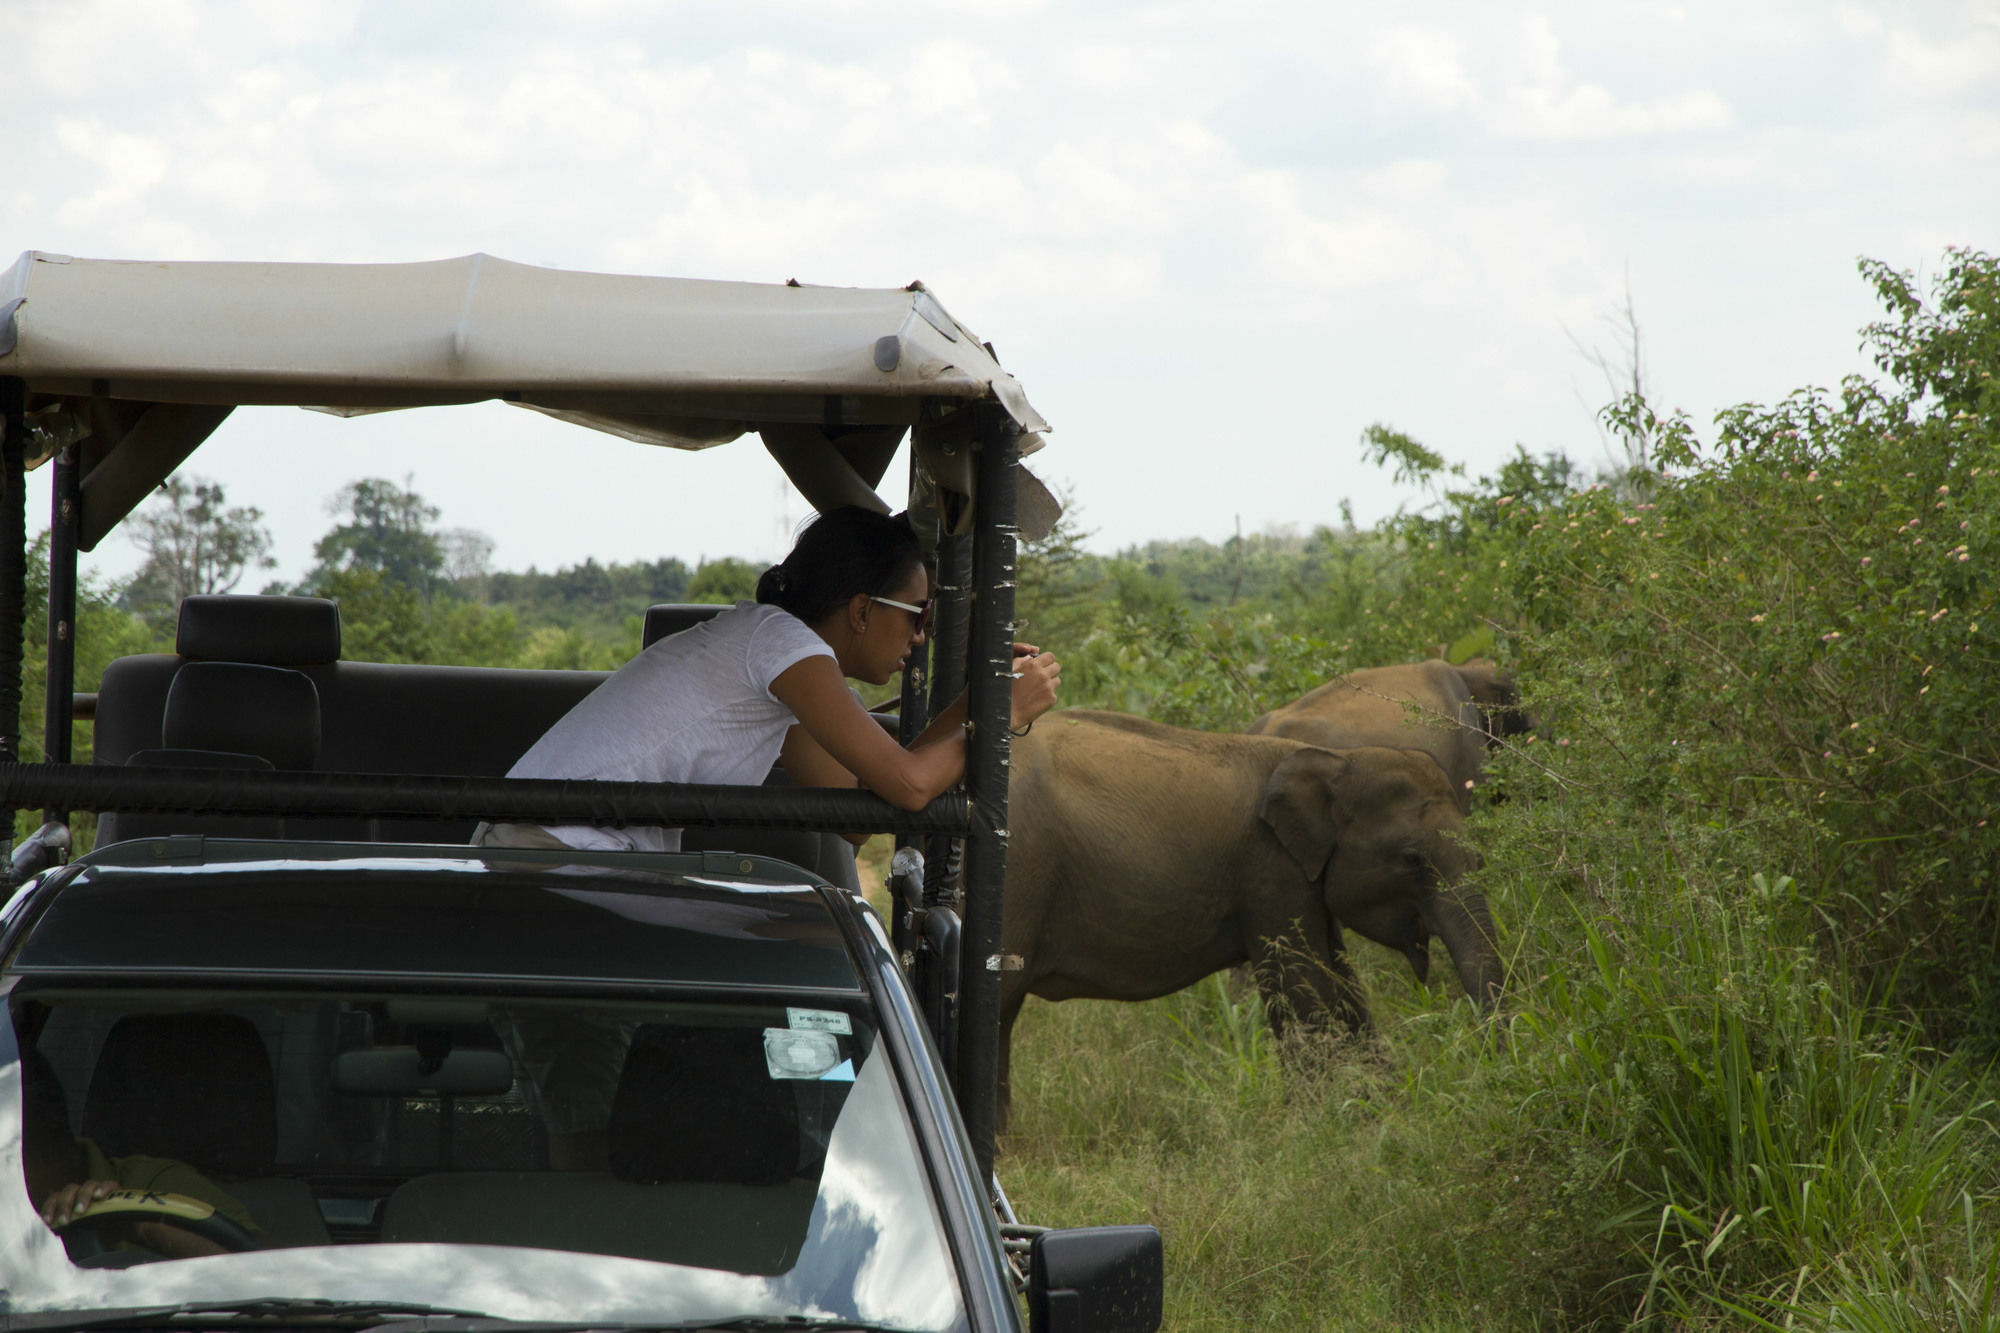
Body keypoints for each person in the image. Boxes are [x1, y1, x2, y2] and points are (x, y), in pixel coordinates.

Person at [475, 506, 1060, 852]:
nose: (919, 637)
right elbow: (910, 785)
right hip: (551, 848)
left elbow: (861, 813)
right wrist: (1003, 714)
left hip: (551, 846)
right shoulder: (783, 646)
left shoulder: (781, 667)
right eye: (918, 615)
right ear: (861, 610)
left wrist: (974, 702)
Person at [18, 1047, 259, 1260]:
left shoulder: (160, 1183)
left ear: (58, 1147)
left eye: (10, 1159)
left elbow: (266, 1270)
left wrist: (139, 1221)